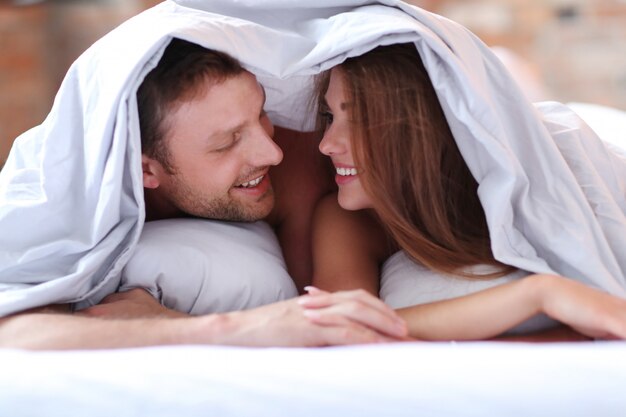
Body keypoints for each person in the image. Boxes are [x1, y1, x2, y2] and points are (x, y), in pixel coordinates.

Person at [0, 39, 408, 349]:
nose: (273, 151)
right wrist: (202, 328)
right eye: (227, 142)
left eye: (261, 113)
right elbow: (15, 334)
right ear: (146, 169)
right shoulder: (64, 195)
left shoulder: (302, 167)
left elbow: (315, 328)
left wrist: (167, 321)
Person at [308, 43, 626, 341]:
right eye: (330, 116)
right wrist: (540, 294)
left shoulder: (532, 181)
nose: (326, 145)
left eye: (361, 120)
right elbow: (342, 325)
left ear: (424, 130)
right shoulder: (347, 219)